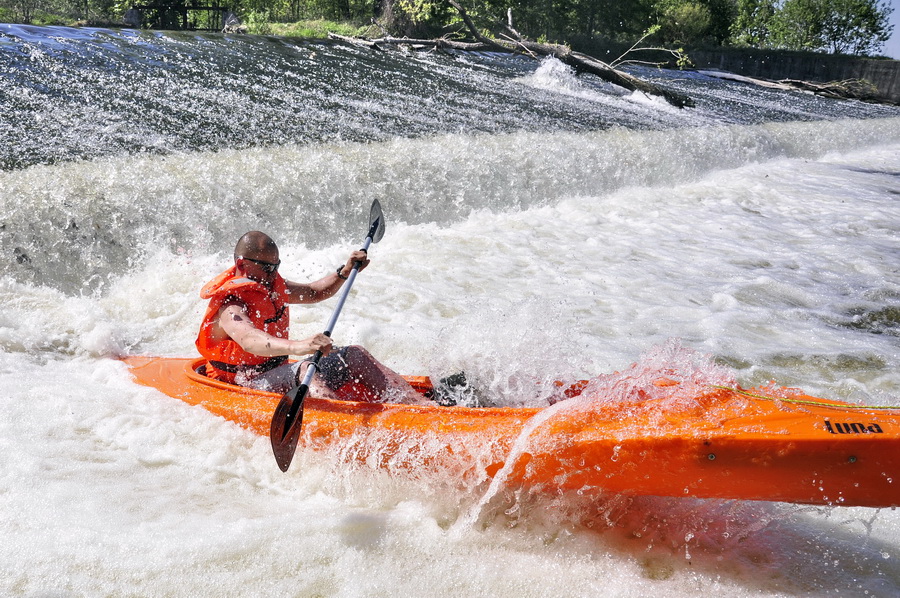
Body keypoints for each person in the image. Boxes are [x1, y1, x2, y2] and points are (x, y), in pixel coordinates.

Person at [196, 231, 429, 404]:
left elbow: (314, 292)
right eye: (267, 268)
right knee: (307, 367)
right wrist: (302, 346)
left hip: (275, 373)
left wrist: (343, 272)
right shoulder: (230, 306)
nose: (274, 273)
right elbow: (250, 340)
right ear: (241, 264)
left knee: (354, 355)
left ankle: (421, 406)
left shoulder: (269, 285)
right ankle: (340, 425)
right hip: (242, 383)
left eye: (276, 266)